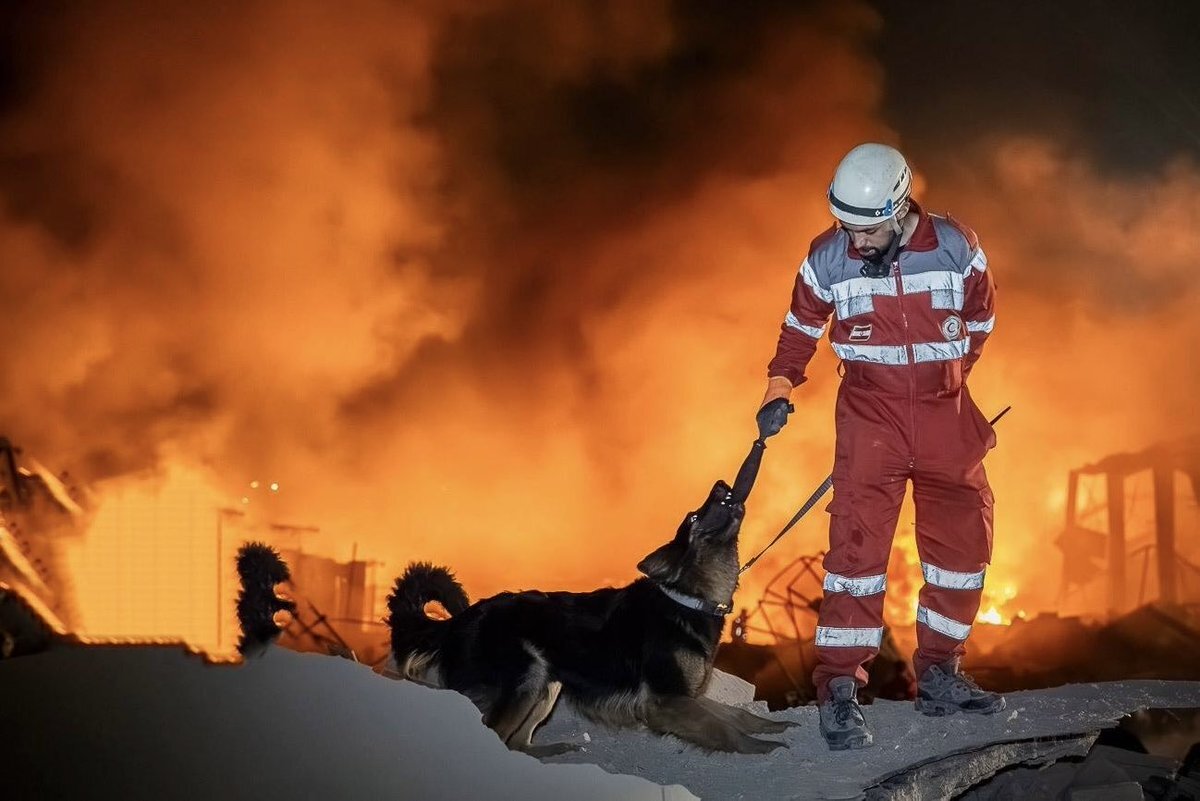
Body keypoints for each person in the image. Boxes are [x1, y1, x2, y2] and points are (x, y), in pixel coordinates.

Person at [756, 143, 1003, 751]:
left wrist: (948, 375)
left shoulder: (955, 245)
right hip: (870, 417)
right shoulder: (827, 258)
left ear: (900, 209)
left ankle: (941, 673)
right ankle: (840, 688)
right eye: (847, 227)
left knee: (963, 546)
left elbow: (981, 318)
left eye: (866, 230)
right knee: (856, 555)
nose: (855, 242)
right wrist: (778, 386)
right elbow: (800, 328)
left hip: (947, 412)